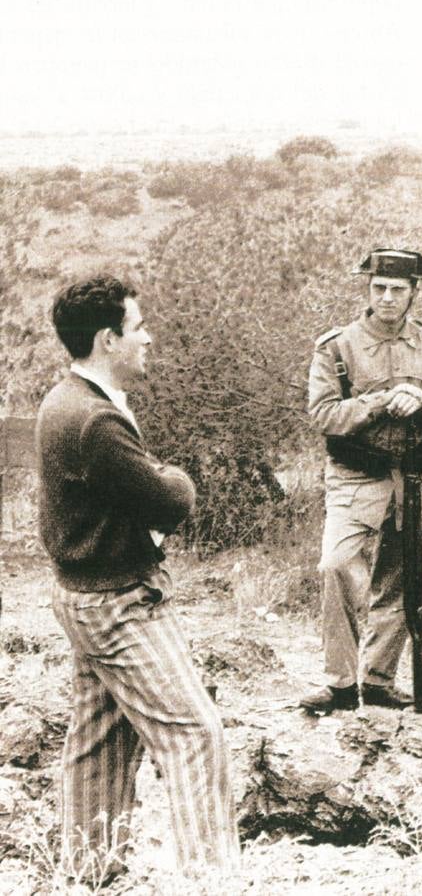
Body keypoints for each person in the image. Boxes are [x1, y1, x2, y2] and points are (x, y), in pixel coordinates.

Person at [36, 276, 239, 882]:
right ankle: (215, 883)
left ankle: (86, 875)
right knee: (195, 735)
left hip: (83, 597)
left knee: (101, 738)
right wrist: (176, 477)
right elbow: (167, 501)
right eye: (138, 326)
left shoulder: (66, 401)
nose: (147, 337)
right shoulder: (94, 420)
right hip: (119, 602)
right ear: (108, 338)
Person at [300, 249, 422, 713]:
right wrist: (381, 401)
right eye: (379, 289)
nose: (387, 298)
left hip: (412, 478)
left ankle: (378, 678)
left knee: (400, 580)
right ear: (368, 290)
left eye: (397, 290)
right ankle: (340, 684)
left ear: (413, 293)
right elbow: (322, 413)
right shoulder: (337, 346)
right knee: (337, 566)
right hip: (355, 477)